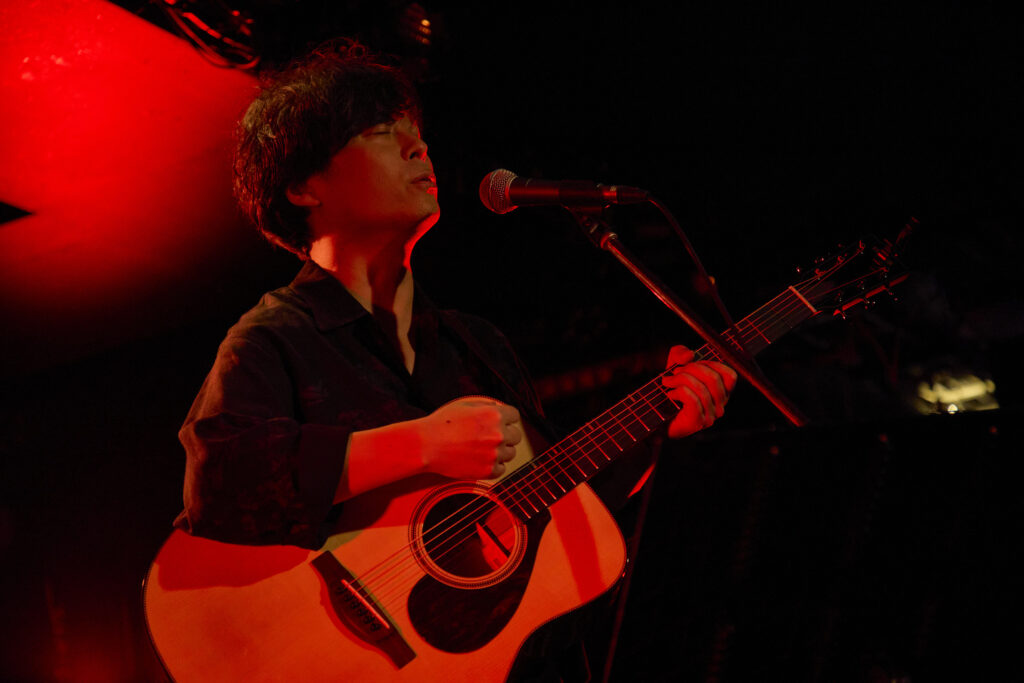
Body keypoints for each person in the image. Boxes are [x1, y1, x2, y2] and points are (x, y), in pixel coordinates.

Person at [174, 38, 736, 680]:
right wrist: (420, 445)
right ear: (304, 186)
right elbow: (219, 483)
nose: (419, 148)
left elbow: (548, 512)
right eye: (382, 133)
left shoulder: (476, 343)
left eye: (417, 135)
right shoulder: (273, 337)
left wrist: (658, 432)